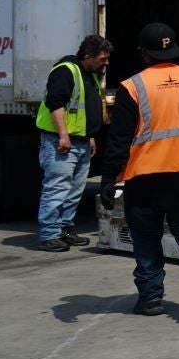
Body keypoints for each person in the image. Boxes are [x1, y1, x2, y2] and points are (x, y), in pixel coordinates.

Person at [100, 22, 179, 318]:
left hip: (145, 181)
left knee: (146, 238)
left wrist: (108, 179)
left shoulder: (133, 87)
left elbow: (119, 139)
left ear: (143, 54)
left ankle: (151, 298)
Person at [34, 35, 111, 252]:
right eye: (102, 59)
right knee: (57, 187)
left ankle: (65, 229)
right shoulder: (65, 71)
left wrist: (90, 136)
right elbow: (55, 104)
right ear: (88, 56)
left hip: (81, 141)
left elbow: (86, 108)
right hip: (62, 143)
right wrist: (63, 136)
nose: (106, 63)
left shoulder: (90, 73)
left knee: (74, 189)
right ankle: (49, 234)